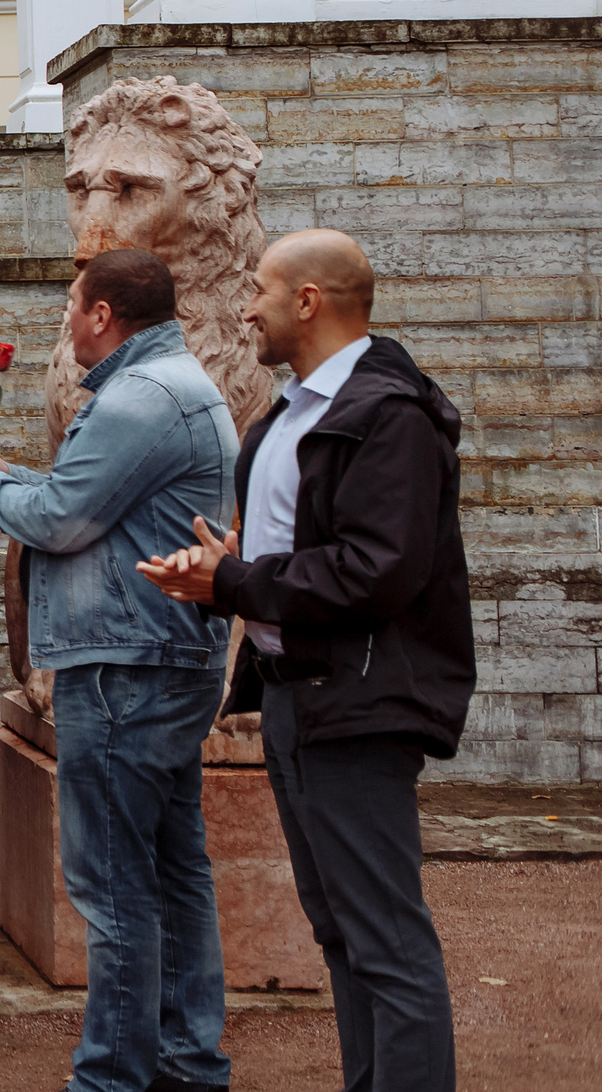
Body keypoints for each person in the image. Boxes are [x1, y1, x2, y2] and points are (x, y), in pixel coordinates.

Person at [139, 230, 471, 1092]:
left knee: (386, 939)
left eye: (259, 289)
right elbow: (304, 549)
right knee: (342, 932)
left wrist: (236, 579)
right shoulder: (290, 412)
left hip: (360, 701)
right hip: (295, 699)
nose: (246, 307)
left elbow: (379, 569)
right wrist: (226, 565)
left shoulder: (389, 415)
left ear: (309, 301)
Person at [0, 249, 237, 1092]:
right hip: (158, 654)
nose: (64, 324)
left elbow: (60, 518)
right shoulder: (170, 383)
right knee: (174, 870)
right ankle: (188, 1060)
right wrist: (0, 474)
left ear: (102, 315)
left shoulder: (141, 394)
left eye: (70, 309)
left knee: (114, 882)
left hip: (127, 665)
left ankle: (112, 1077)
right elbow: (91, 503)